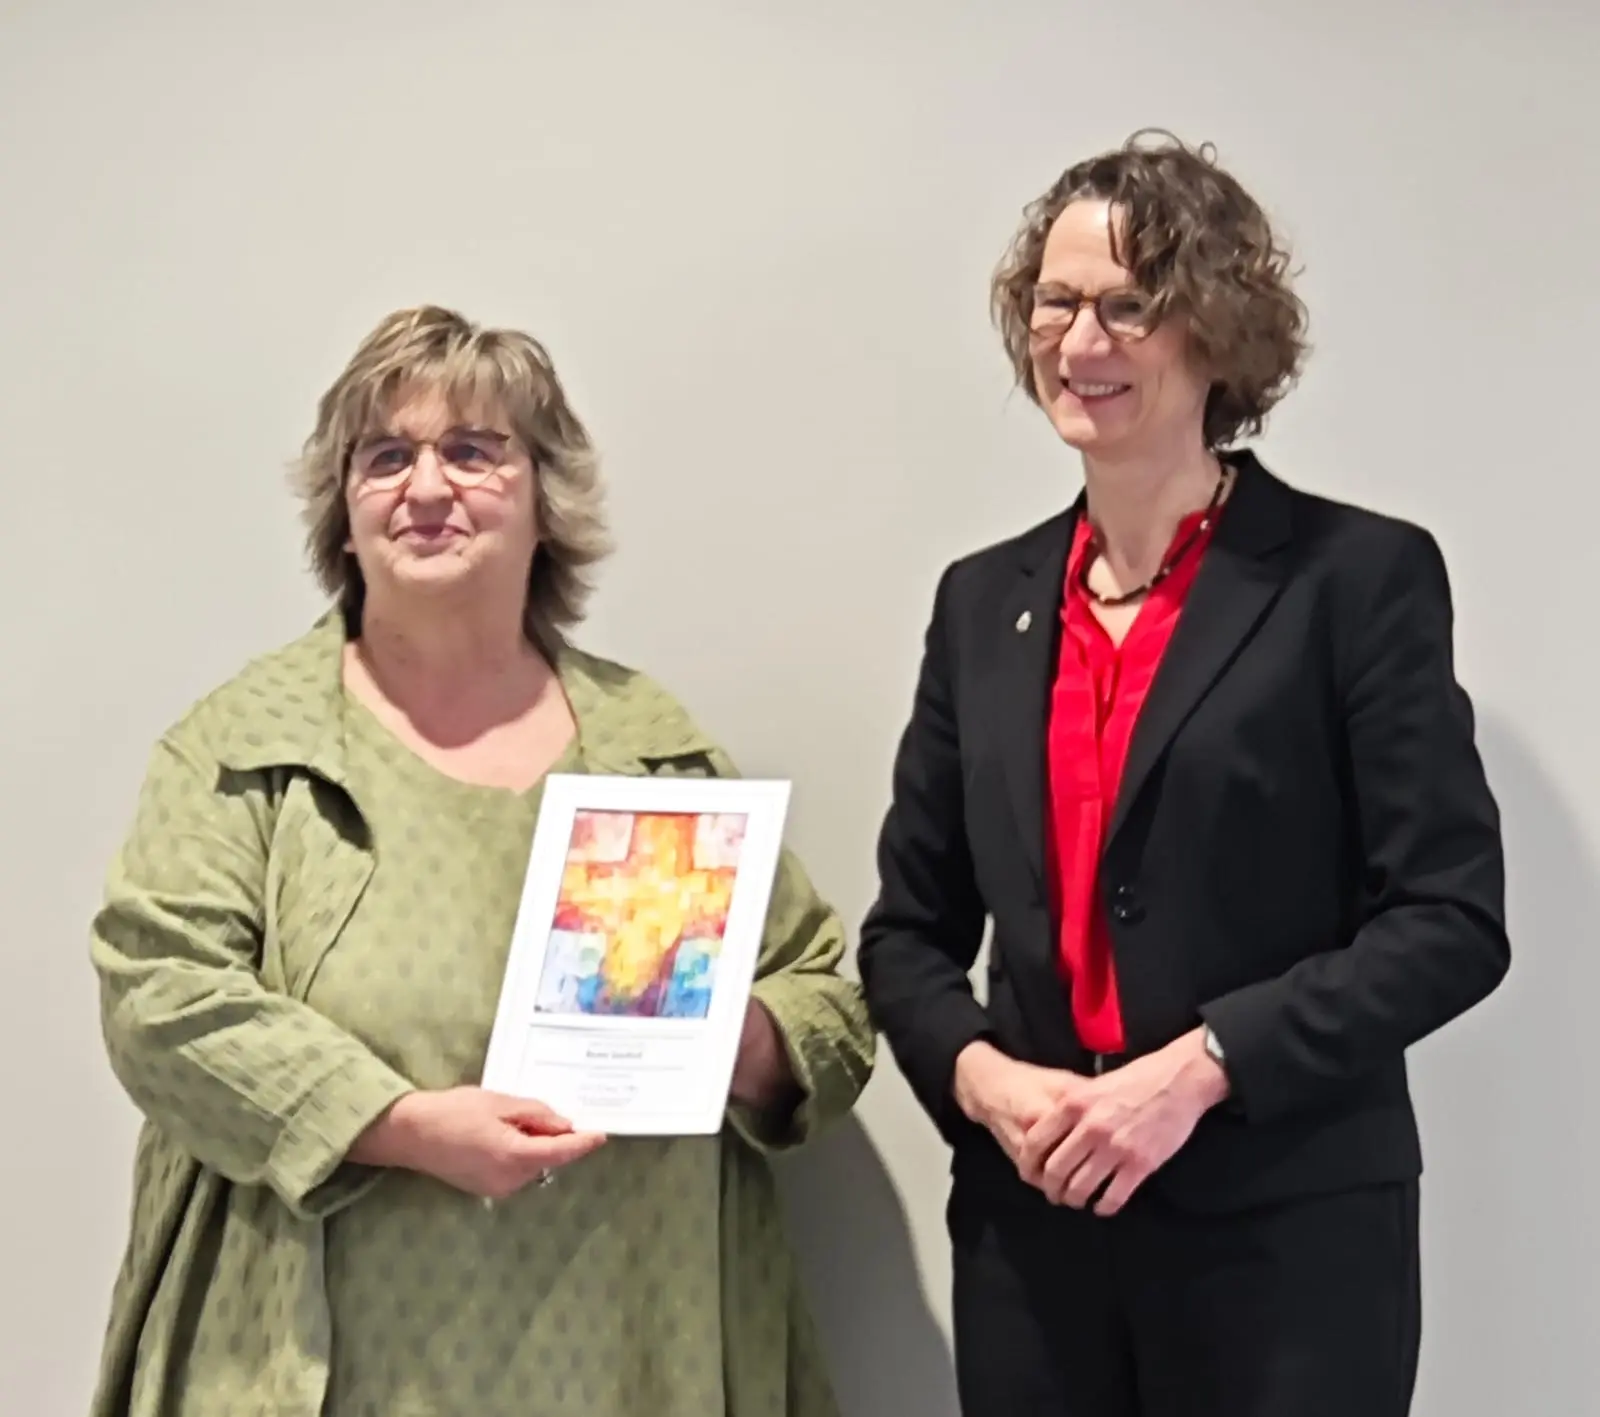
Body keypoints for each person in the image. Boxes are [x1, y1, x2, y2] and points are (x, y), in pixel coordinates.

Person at [86, 305, 874, 1417]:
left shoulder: (651, 750)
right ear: (342, 514)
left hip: (633, 1351)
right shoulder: (248, 746)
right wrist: (397, 1126)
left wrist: (733, 1036)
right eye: (385, 457)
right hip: (332, 1364)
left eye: (472, 451)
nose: (425, 488)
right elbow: (159, 999)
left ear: (547, 500)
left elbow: (826, 1005)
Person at [857, 131, 1509, 1417]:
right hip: (1033, 1233)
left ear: (1214, 330)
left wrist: (1203, 1063)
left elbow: (1449, 921)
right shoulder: (980, 602)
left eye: (1126, 305)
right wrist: (984, 1081)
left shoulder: (1353, 579)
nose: (1078, 340)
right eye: (1054, 302)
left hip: (1286, 1241)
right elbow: (906, 936)